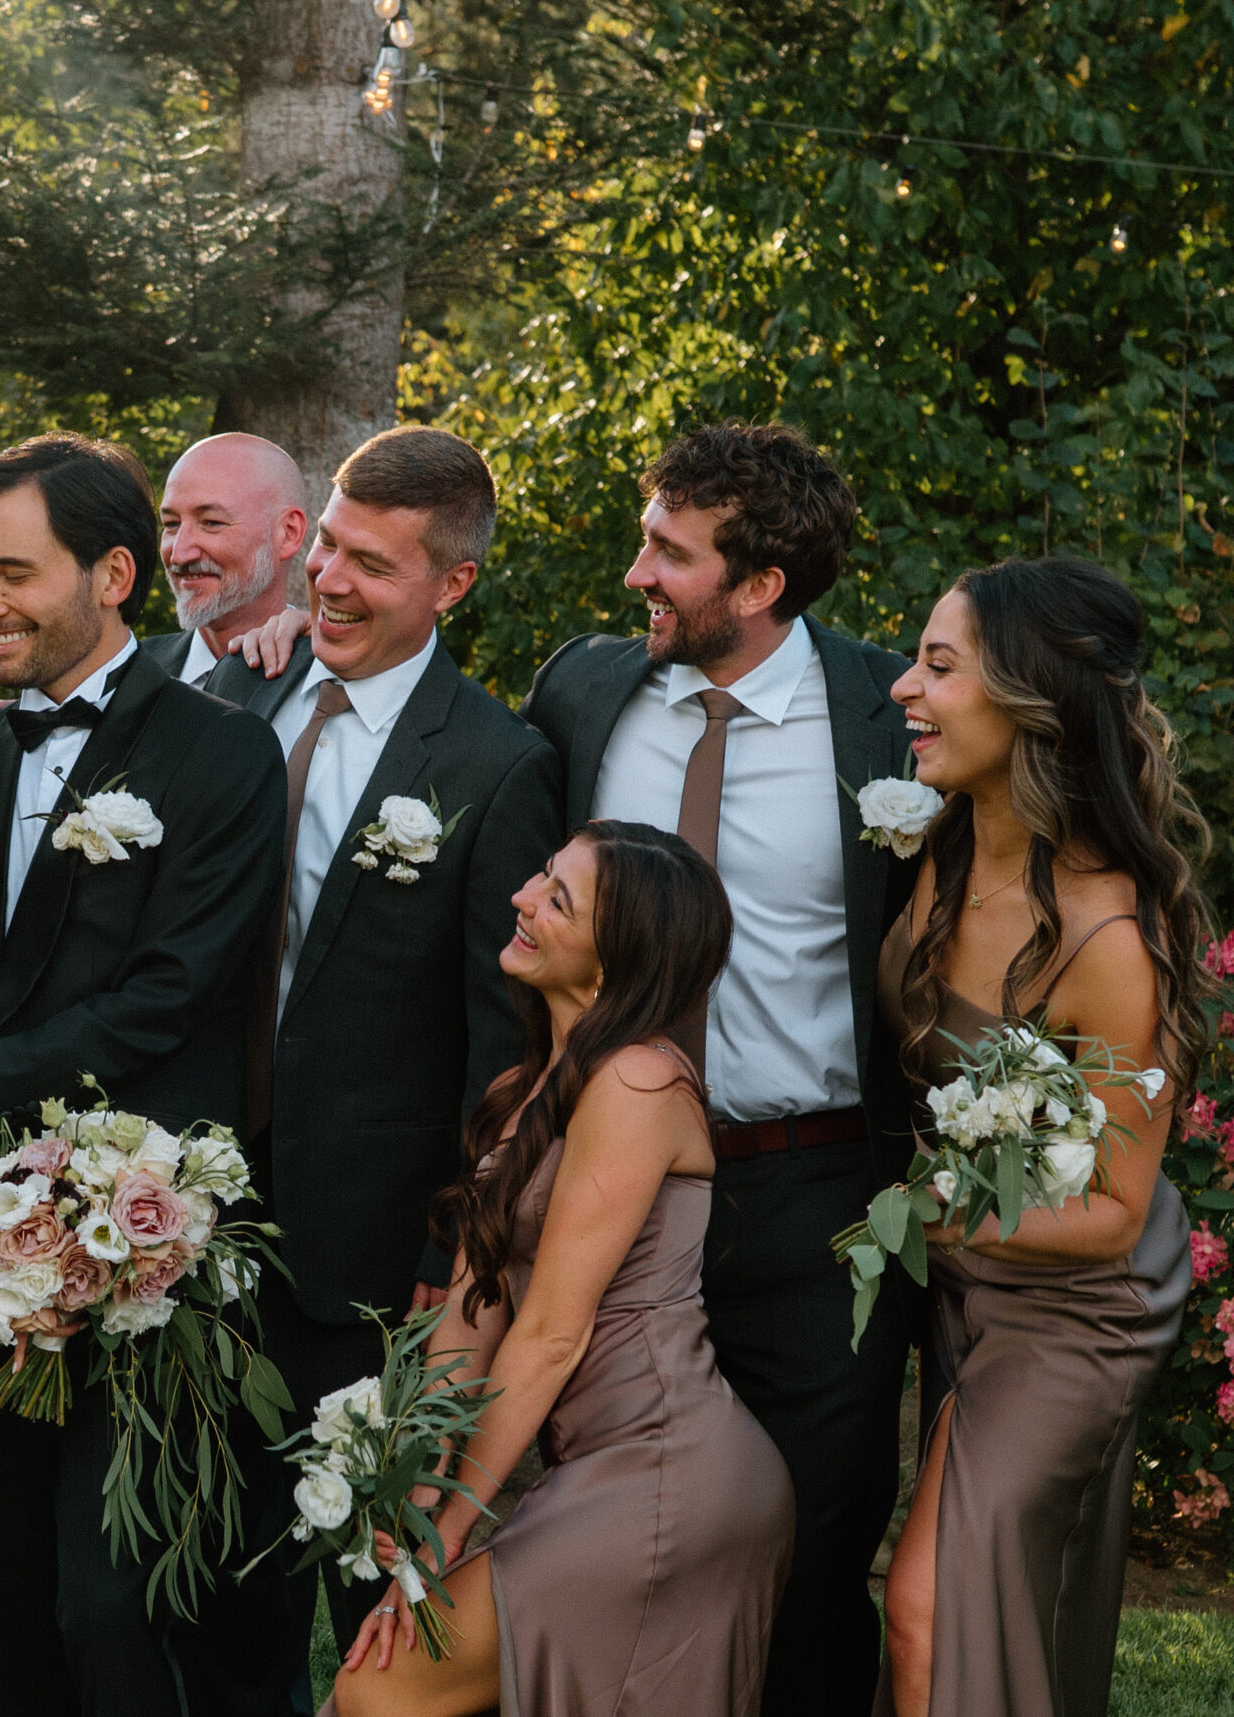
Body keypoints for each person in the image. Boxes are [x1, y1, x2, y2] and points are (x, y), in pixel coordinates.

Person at [520, 424, 916, 1717]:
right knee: (590, 1537)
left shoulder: (889, 718)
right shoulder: (586, 693)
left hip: (813, 1204)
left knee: (805, 1550)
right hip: (608, 1193)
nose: (637, 572)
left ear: (759, 590)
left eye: (670, 553)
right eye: (649, 537)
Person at [0, 434, 287, 1717]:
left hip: (147, 1251)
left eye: (13, 572)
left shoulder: (221, 756)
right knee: (11, 1605)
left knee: (114, 1611)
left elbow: (168, 992)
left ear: (113, 573)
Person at [201, 427, 561, 1706]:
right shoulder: (238, 696)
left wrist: (446, 1264)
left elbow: (500, 1054)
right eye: (330, 549)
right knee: (221, 1605)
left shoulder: (494, 765)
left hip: (374, 1273)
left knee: (378, 1604)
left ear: (452, 585)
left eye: (374, 565)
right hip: (198, 1237)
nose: (330, 585)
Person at [331, 820, 791, 1716]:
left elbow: (550, 1333)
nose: (522, 898)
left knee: (381, 1694)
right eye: (542, 875)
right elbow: (472, 1316)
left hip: (669, 1475)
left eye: (557, 898)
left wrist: (451, 1532)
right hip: (600, 1467)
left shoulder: (638, 1084)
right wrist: (421, 1489)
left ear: (613, 960)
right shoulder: (531, 1086)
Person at [874, 559, 1207, 1717]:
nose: (903, 687)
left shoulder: (1109, 936)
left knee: (930, 1609)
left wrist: (921, 1215)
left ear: (1029, 701)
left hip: (1079, 1305)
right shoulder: (937, 846)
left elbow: (1116, 1207)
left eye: (938, 664)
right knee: (967, 1605)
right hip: (968, 1276)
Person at [143, 431, 311, 701]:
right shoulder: (130, 675)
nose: (179, 555)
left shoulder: (326, 680)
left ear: (288, 533)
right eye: (171, 524)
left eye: (211, 522)